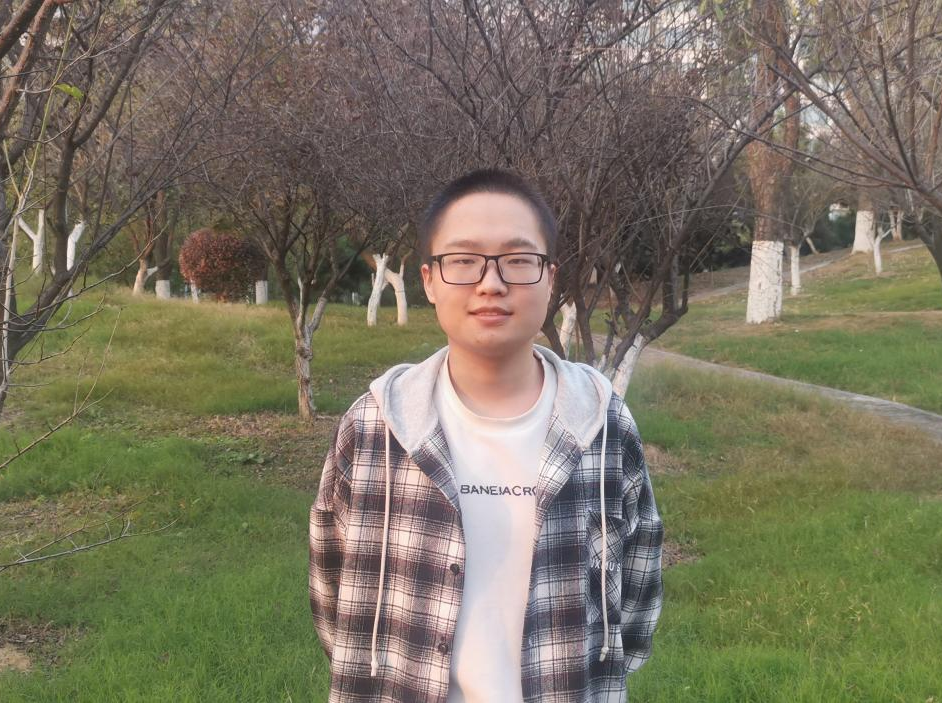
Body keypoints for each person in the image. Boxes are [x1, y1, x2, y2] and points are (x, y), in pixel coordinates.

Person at [309, 168, 664, 703]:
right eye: (463, 260)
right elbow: (333, 589)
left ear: (551, 277)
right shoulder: (374, 427)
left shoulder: (604, 426)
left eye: (518, 260)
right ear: (429, 280)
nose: (491, 283)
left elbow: (638, 591)